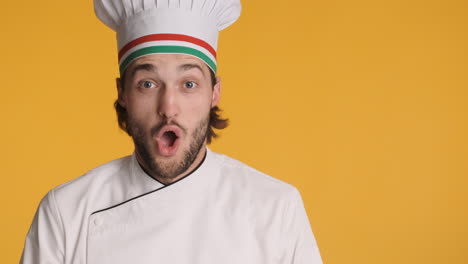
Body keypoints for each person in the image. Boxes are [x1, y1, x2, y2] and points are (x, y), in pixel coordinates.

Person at [20, 0, 323, 263]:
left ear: (214, 93)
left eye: (188, 84)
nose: (169, 107)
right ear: (122, 92)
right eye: (148, 84)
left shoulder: (276, 208)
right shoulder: (66, 212)